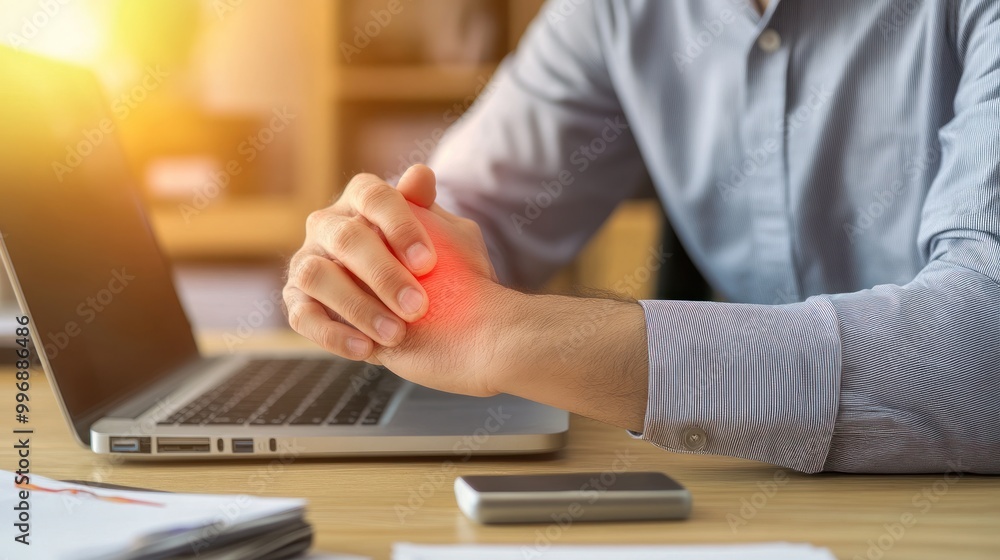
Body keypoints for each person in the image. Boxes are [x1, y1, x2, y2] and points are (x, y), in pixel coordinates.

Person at [282, 0, 1000, 474]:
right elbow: (463, 216)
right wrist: (377, 253)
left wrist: (513, 337)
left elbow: (984, 343)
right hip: (748, 493)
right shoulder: (616, 11)